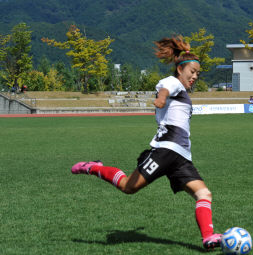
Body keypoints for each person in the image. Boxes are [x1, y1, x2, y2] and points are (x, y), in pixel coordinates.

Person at [71, 36, 222, 249]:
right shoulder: (175, 84)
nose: (195, 76)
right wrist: (161, 98)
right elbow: (165, 87)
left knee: (204, 193)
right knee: (128, 187)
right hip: (165, 151)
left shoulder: (184, 93)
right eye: (192, 72)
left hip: (181, 158)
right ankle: (94, 168)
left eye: (198, 73)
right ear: (180, 70)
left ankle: (208, 237)